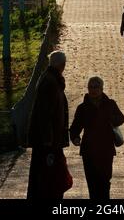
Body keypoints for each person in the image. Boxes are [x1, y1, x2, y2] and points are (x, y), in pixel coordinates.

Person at [69, 77, 124, 200]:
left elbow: (121, 118)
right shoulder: (82, 108)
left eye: (96, 87)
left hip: (106, 150)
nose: (93, 90)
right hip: (89, 151)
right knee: (92, 183)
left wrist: (110, 118)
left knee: (105, 181)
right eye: (91, 87)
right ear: (88, 89)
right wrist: (76, 139)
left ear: (102, 88)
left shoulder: (110, 104)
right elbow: (74, 128)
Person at [27, 50, 72, 200]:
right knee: (48, 174)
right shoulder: (51, 82)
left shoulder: (49, 79)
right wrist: (48, 138)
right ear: (62, 65)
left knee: (44, 174)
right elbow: (45, 113)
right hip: (48, 142)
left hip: (49, 139)